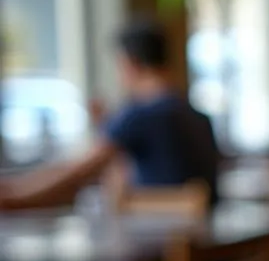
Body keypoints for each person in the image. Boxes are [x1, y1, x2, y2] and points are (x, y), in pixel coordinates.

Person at [0, 17, 220, 210]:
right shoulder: (195, 114)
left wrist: (16, 196)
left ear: (130, 63)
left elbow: (78, 173)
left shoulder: (140, 113)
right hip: (206, 247)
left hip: (160, 245)